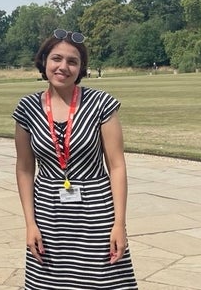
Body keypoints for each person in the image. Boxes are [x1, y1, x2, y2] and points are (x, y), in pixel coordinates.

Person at [12, 29, 137, 289]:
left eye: (73, 61)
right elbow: (24, 168)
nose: (63, 67)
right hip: (48, 215)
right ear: (44, 60)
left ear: (81, 68)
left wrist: (119, 224)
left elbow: (116, 165)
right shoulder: (27, 108)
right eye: (56, 58)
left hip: (96, 213)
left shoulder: (101, 104)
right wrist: (30, 223)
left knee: (104, 281)